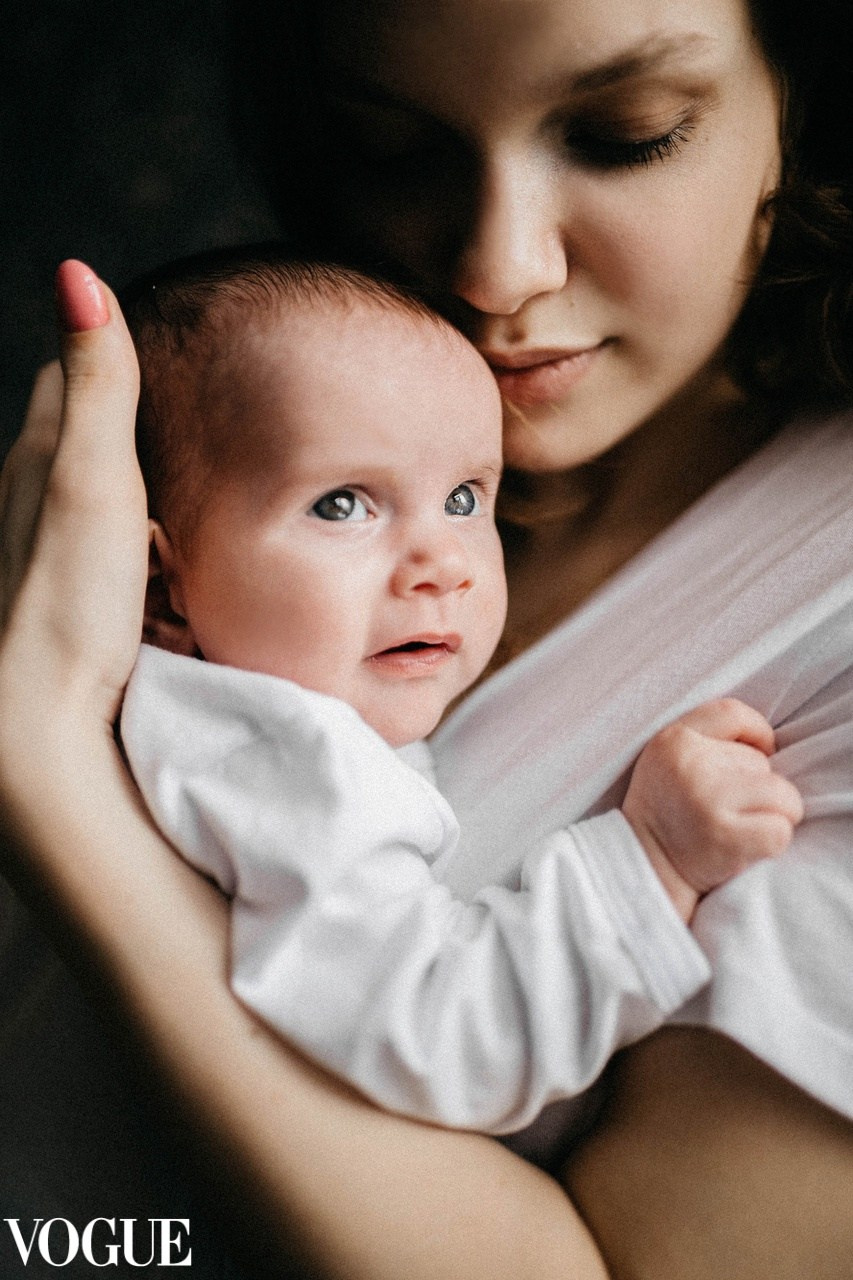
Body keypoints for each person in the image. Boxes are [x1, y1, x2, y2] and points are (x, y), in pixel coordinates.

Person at [1, 0, 853, 1276]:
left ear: (804, 107)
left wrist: (54, 784)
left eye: (627, 135)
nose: (497, 271)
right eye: (393, 145)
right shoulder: (224, 461)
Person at [119, 247, 798, 1138]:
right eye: (341, 505)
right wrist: (654, 861)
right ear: (163, 590)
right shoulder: (275, 749)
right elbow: (437, 1036)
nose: (442, 566)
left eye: (467, 497)